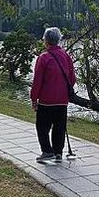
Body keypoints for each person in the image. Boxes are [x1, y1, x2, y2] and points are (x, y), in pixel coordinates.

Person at [30, 27, 77, 162]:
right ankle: (58, 153)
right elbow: (72, 79)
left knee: (42, 127)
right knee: (59, 127)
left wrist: (34, 99)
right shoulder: (66, 56)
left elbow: (37, 81)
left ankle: (47, 150)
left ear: (46, 41)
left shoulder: (43, 57)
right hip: (62, 100)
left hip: (46, 100)